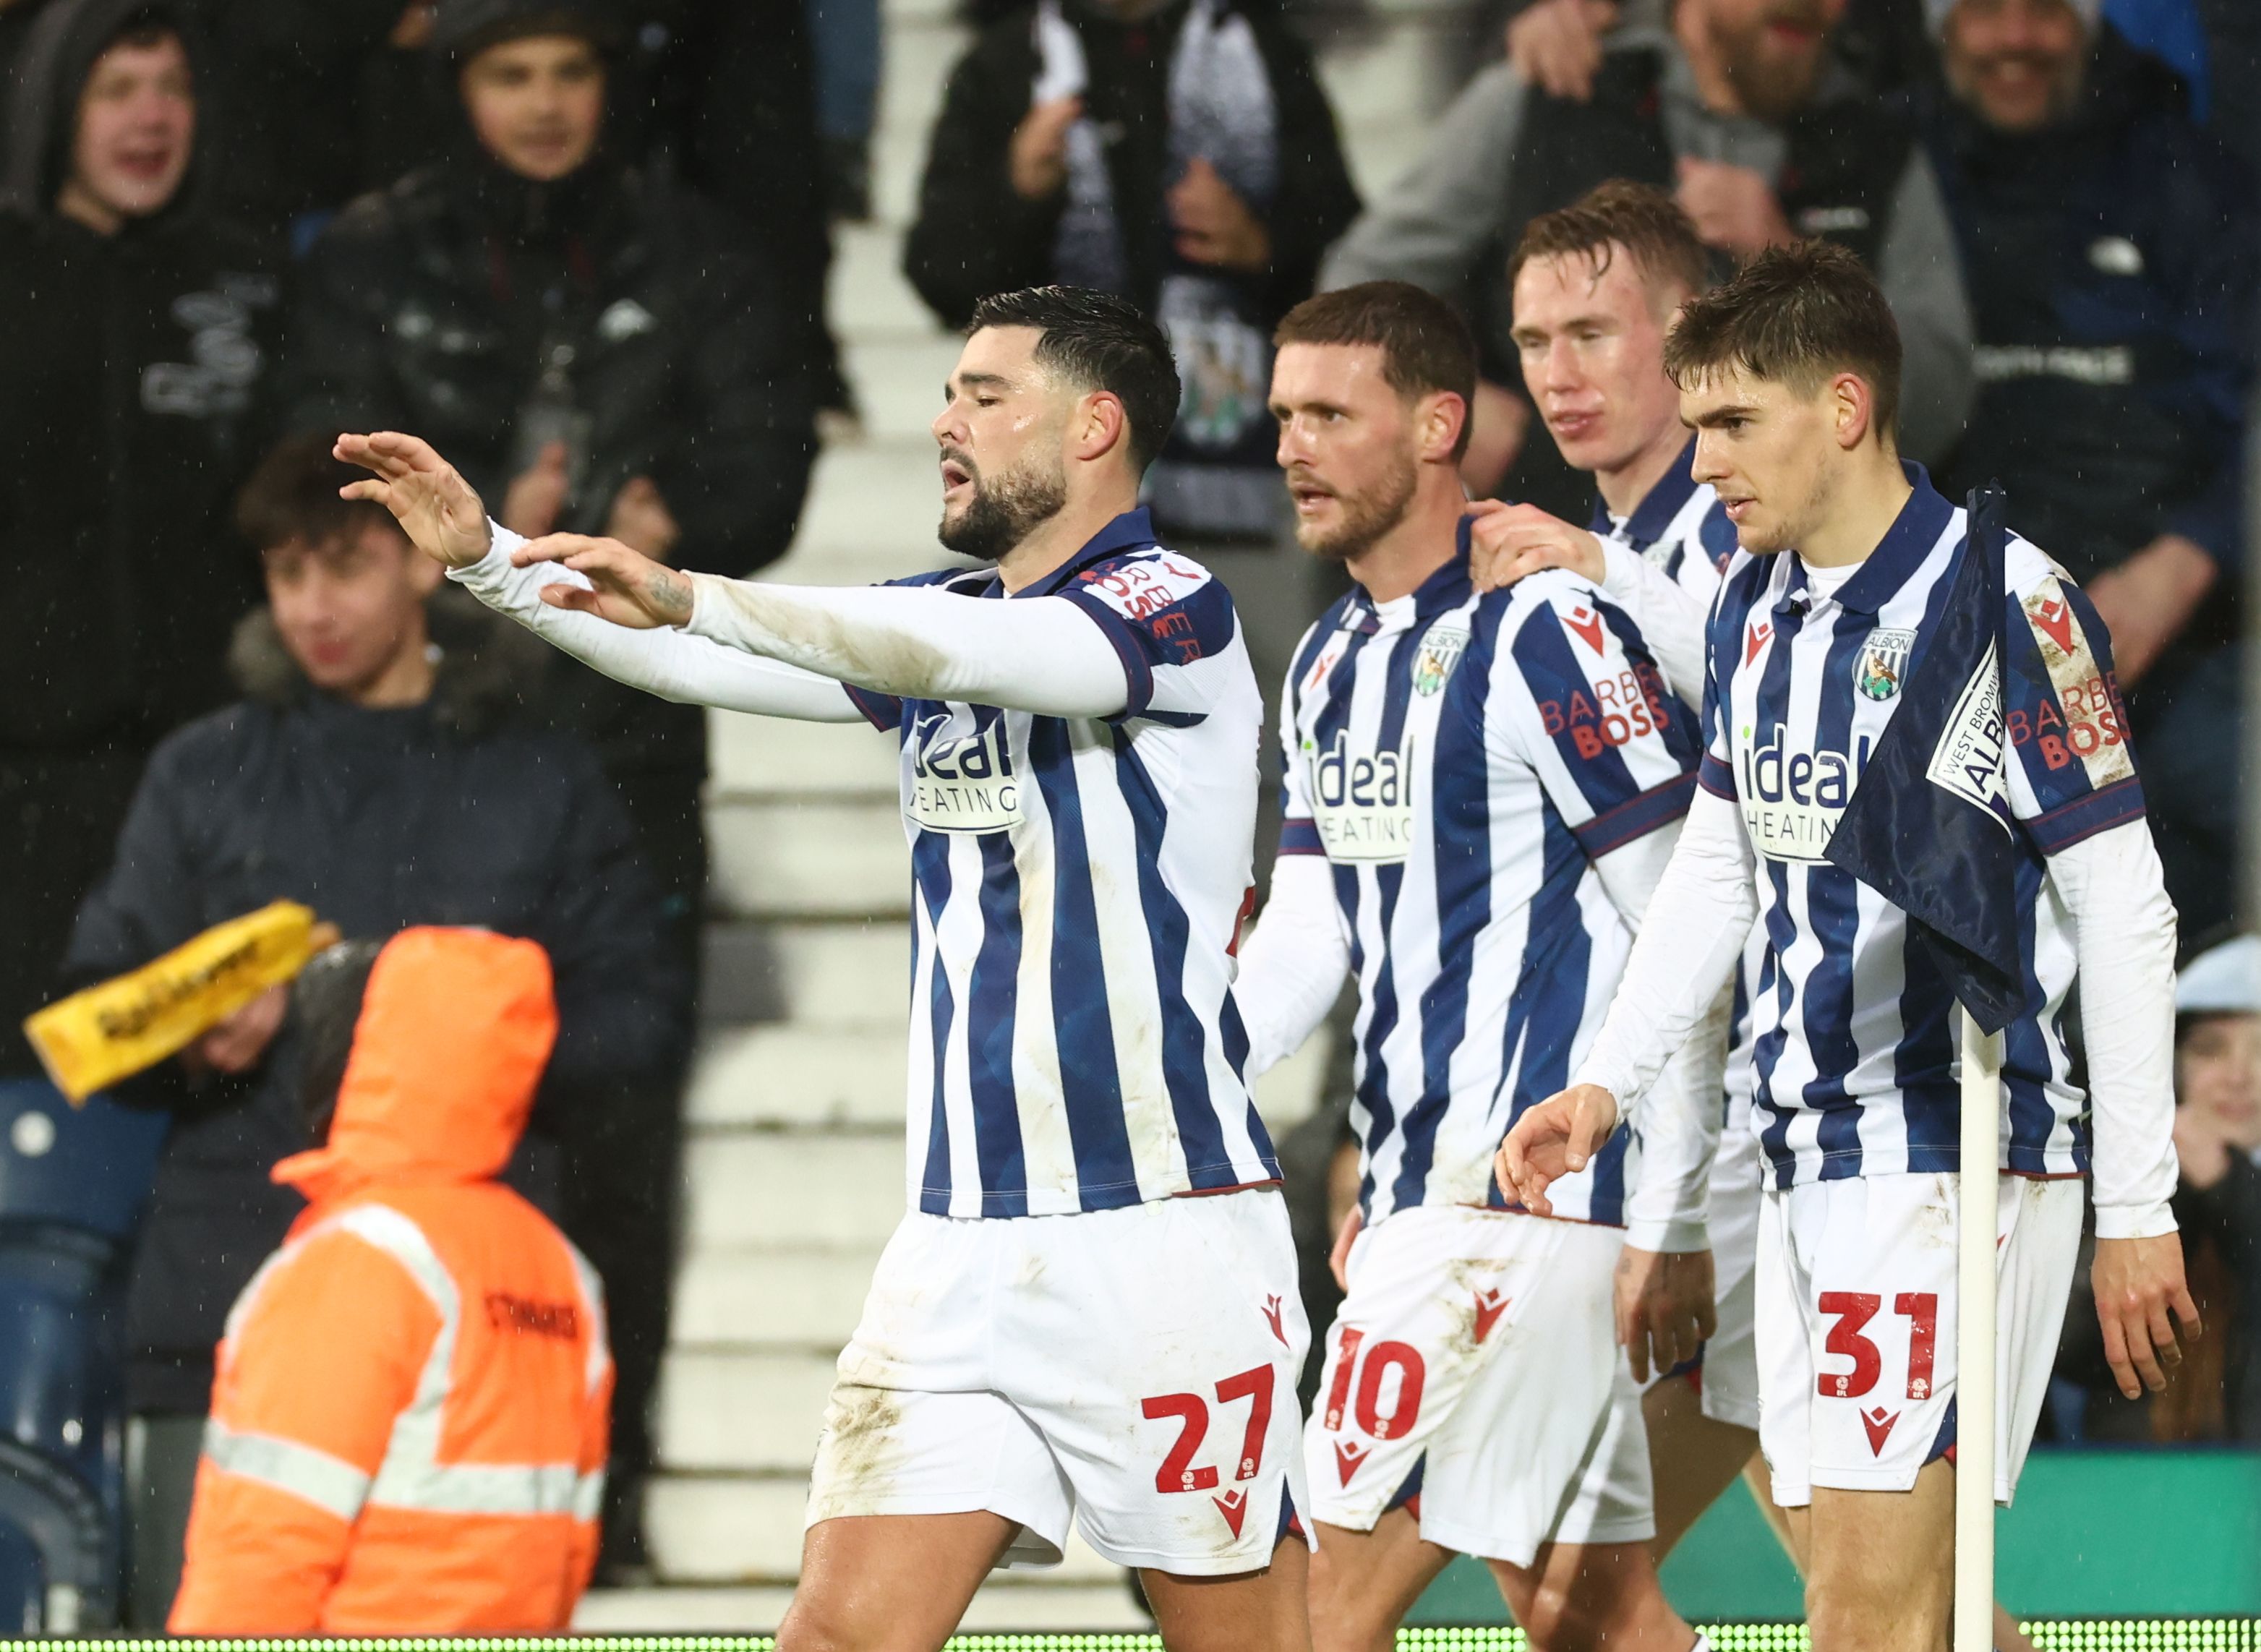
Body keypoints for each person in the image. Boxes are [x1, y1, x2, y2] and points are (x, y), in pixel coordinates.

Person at [336, 284, 1315, 1652]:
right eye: (950, 391)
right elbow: (689, 661)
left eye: (984, 395)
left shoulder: (1172, 609)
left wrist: (701, 590)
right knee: (837, 1638)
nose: (944, 421)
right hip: (958, 1249)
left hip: (1160, 1237)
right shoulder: (946, 621)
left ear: (1096, 425)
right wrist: (492, 561)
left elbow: (968, 649)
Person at [1497, 240, 2196, 1652]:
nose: (1701, 464)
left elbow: (2125, 905)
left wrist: (2137, 1208)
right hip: (1801, 1153)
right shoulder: (1760, 603)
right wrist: (1610, 1078)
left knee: (1863, 1615)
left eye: (1732, 423)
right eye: (1693, 425)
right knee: (1914, 1608)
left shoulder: (2002, 597)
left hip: (1948, 1154)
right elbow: (1719, 860)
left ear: (1845, 404)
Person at [65, 436, 680, 1625]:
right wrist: (195, 1027)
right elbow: (96, 997)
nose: (312, 606)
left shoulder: (535, 775)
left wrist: (455, 1043)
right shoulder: (205, 771)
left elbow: (639, 1018)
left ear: (416, 567)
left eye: (343, 566)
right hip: (228, 1284)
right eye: (285, 574)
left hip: (475, 1320)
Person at [1228, 276, 1722, 1652]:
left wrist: (1671, 1203)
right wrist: (1188, 1075)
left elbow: (1684, 914)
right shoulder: (1328, 658)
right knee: (1585, 1611)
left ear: (1438, 422)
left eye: (1331, 414)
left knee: (1312, 1614)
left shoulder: (1545, 630)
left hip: (1526, 1212)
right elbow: (1320, 927)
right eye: (1281, 417)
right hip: (1419, 1206)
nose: (1292, 448)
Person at [901, 0, 1362, 806]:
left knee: (1262, 736)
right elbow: (939, 270)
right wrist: (1016, 191)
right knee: (1051, 742)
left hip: (1237, 476)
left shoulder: (1259, 47)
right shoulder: (1005, 64)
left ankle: (1261, 930)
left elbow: (1349, 237)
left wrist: (1264, 241)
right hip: (1058, 485)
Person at [1321, 0, 1973, 523]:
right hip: (1549, 581)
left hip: (1785, 608)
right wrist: (1444, 404)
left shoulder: (1873, 150)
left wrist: (1790, 269)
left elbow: (1938, 400)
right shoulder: (1556, 89)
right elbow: (1353, 290)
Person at [1919, 0, 2257, 939]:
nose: (2013, 40)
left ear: (2088, 26)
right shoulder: (1900, 166)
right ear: (1941, 32)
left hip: (2181, 641)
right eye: (1985, 15)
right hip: (1957, 647)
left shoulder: (2182, 176)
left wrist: (2181, 561)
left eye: (2040, 12)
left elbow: (2252, 408)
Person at [167, 928, 613, 1634]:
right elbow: (569, 1547)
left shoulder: (361, 1261)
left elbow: (265, 1550)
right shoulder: (558, 1267)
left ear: (372, 1056)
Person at [0, 0, 281, 1096]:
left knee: (191, 1112)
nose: (151, 119)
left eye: (172, 89)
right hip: (22, 784)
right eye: (118, 90)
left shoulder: (253, 282)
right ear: (57, 107)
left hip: (204, 781)